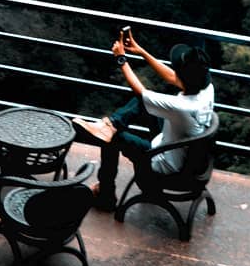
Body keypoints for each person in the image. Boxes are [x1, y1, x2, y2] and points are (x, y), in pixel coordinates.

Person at [72, 29, 214, 211]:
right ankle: (111, 125)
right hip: (184, 154)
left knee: (112, 139)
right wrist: (142, 52)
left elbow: (140, 91)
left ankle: (106, 196)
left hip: (161, 163)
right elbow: (172, 77)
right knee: (140, 105)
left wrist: (121, 58)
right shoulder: (206, 89)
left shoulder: (182, 107)